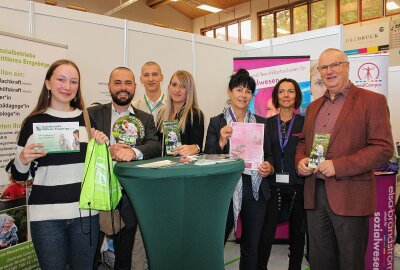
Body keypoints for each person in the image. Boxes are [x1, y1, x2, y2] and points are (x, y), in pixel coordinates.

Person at [296, 48, 393, 270]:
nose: (329, 71)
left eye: (335, 65)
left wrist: (338, 166)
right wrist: (301, 160)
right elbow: (303, 143)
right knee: (320, 261)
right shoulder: (312, 108)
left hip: (350, 195)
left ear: (347, 66)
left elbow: (383, 148)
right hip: (315, 194)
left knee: (350, 261)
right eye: (324, 67)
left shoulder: (372, 101)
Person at [9, 59, 108, 269]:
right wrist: (23, 159)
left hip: (85, 214)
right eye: (61, 80)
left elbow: (97, 167)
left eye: (73, 81)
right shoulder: (33, 122)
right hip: (46, 217)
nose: (67, 86)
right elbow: (19, 175)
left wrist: (102, 146)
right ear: (48, 83)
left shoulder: (87, 120)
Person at [87, 66, 161, 270]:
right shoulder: (92, 114)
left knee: (124, 257)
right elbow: (83, 148)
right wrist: (108, 151)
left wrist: (134, 152)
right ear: (109, 86)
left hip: (129, 196)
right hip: (98, 194)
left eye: (128, 83)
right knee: (90, 254)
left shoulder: (145, 118)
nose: (123, 88)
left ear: (135, 86)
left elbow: (154, 145)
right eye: (117, 83)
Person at [204, 69, 274, 270]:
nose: (243, 95)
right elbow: (208, 156)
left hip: (254, 188)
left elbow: (269, 156)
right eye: (239, 89)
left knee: (252, 245)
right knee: (216, 242)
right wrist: (221, 139)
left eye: (248, 91)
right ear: (229, 92)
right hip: (225, 189)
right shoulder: (217, 122)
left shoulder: (261, 123)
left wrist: (268, 167)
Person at [258, 78, 305, 270]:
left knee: (297, 235)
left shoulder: (305, 123)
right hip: (273, 186)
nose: (286, 95)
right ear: (276, 96)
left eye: (290, 91)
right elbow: (261, 152)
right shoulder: (266, 124)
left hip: (298, 186)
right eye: (281, 91)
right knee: (266, 234)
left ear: (296, 96)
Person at [156, 70, 204, 156]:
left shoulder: (195, 114)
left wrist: (194, 148)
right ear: (169, 87)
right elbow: (156, 143)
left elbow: (197, 146)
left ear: (189, 90)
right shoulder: (161, 113)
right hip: (162, 165)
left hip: (183, 166)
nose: (177, 90)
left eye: (183, 86)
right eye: (174, 85)